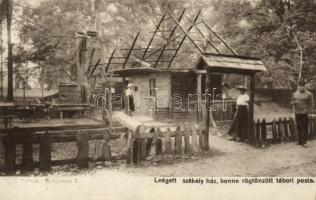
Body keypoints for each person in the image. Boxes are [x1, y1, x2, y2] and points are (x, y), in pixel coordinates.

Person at [291, 81, 314, 147]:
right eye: (300, 86)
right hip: (297, 113)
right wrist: (293, 102)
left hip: (305, 113)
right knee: (299, 127)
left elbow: (311, 104)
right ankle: (300, 141)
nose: (301, 87)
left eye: (302, 86)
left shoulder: (309, 94)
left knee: (304, 127)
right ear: (298, 86)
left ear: (305, 86)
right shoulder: (294, 94)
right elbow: (292, 102)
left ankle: (304, 141)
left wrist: (309, 112)